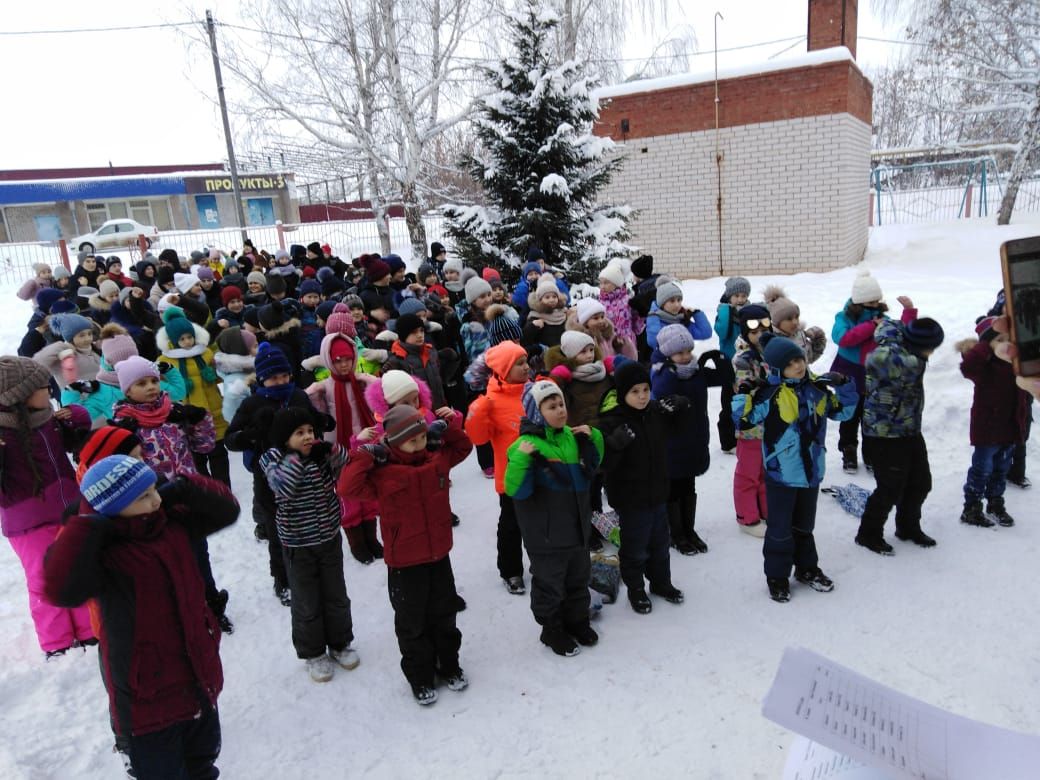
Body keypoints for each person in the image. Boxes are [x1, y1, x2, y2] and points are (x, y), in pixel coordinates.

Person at [44, 456, 237, 778]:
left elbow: (226, 510)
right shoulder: (104, 551)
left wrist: (185, 488)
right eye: (143, 496)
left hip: (198, 681)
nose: (157, 499)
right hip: (146, 702)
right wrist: (85, 526)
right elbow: (61, 589)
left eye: (155, 489)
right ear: (112, 507)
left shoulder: (172, 523)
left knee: (203, 766)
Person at [338, 405, 473, 705]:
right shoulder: (382, 474)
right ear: (394, 441)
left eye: (423, 437)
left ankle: (449, 664)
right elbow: (347, 487)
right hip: (405, 563)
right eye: (412, 440)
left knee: (444, 615)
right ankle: (420, 676)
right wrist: (365, 453)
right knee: (412, 623)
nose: (420, 444)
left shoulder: (436, 460)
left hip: (439, 556)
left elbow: (464, 446)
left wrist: (443, 428)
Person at [732, 333, 857, 602]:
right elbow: (743, 421)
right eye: (790, 364)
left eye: (799, 359)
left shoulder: (817, 389)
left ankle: (807, 569)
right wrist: (743, 393)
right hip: (781, 474)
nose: (798, 366)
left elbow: (843, 412)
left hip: (811, 472)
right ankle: (777, 576)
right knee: (779, 530)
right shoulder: (770, 395)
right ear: (777, 369)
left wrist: (845, 385)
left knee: (804, 526)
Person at [0, 357, 95, 658]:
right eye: (43, 387)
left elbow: (78, 432)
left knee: (76, 568)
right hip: (27, 521)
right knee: (44, 579)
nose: (50, 391)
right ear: (19, 394)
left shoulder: (47, 419)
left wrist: (74, 417)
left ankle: (89, 629)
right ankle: (57, 640)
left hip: (68, 507)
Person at [225, 343, 330, 605]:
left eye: (284, 376)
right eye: (273, 378)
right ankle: (282, 578)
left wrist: (321, 422)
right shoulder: (252, 403)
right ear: (261, 379)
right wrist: (252, 435)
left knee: (307, 521)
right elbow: (230, 439)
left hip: (304, 472)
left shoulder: (297, 396)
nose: (280, 382)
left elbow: (312, 420)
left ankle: (310, 569)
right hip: (269, 477)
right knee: (277, 530)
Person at [505, 380, 603, 657]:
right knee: (550, 585)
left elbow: (594, 466)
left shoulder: (572, 438)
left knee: (578, 580)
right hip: (546, 537)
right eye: (551, 406)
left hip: (577, 530)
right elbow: (515, 489)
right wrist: (523, 460)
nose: (560, 410)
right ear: (536, 413)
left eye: (561, 404)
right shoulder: (525, 446)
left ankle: (577, 621)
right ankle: (552, 629)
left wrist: (593, 438)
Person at [260, 408, 359, 682]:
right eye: (299, 433)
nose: (307, 437)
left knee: (335, 594)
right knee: (307, 601)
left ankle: (340, 643)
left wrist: (327, 447)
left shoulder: (320, 455)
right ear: (284, 438)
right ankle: (313, 652)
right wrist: (297, 459)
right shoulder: (274, 460)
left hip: (328, 537)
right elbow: (283, 488)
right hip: (298, 544)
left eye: (311, 432)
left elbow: (346, 460)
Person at [597, 359, 686, 614]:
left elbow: (677, 433)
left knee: (660, 544)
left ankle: (661, 582)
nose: (642, 396)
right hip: (631, 499)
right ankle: (636, 588)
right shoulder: (612, 422)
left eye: (646, 390)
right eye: (635, 391)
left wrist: (681, 407)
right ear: (622, 393)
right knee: (635, 548)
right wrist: (615, 443)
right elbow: (604, 464)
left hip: (658, 493)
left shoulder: (655, 412)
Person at [855, 316, 945, 554]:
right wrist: (918, 360)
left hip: (909, 428)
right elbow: (875, 361)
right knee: (890, 488)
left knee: (921, 483)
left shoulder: (907, 345)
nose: (931, 353)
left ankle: (907, 527)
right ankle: (868, 534)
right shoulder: (889, 355)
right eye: (930, 348)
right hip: (884, 433)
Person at [651, 324, 733, 555]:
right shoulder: (661, 371)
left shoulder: (695, 370)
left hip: (695, 438)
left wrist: (718, 358)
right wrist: (670, 372)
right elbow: (661, 392)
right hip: (672, 442)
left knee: (689, 486)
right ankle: (676, 534)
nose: (686, 357)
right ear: (667, 353)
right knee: (674, 489)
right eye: (679, 353)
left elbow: (726, 378)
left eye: (688, 351)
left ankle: (689, 530)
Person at [829, 272, 917, 473]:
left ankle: (871, 454)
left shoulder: (882, 318)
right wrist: (870, 327)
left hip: (874, 375)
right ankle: (848, 451)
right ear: (859, 301)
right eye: (871, 301)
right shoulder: (844, 317)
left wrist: (909, 311)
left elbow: (900, 333)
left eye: (877, 300)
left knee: (871, 417)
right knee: (850, 416)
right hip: (849, 374)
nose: (876, 304)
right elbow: (843, 338)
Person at [306, 333, 381, 564]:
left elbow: (378, 396)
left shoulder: (360, 381)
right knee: (348, 496)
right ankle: (356, 542)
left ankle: (371, 538)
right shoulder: (325, 387)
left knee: (368, 491)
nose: (344, 364)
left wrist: (368, 380)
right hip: (339, 449)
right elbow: (317, 414)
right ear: (329, 361)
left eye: (347, 359)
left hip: (366, 443)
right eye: (337, 360)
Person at [465, 341, 531, 594]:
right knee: (511, 525)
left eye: (526, 361)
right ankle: (511, 570)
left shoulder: (533, 391)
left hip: (540, 471)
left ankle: (541, 562)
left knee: (540, 522)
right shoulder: (490, 401)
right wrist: (477, 412)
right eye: (519, 364)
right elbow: (479, 439)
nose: (526, 368)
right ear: (503, 370)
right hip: (511, 476)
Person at [956, 317, 1029, 527]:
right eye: (1000, 340)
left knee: (1001, 469)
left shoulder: (1016, 362)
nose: (1005, 344)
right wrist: (985, 347)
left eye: (1009, 339)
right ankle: (971, 508)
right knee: (982, 469)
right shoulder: (984, 364)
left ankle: (995, 504)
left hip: (1010, 425)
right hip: (987, 428)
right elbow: (967, 367)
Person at [157, 308, 229, 485]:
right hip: (188, 415)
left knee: (218, 452)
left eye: (190, 337)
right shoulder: (165, 361)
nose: (188, 342)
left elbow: (219, 375)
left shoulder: (205, 353)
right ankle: (205, 487)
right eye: (182, 339)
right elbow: (164, 388)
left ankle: (223, 488)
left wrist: (218, 369)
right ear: (173, 341)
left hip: (212, 408)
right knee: (196, 457)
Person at [731, 304, 772, 536]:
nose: (760, 336)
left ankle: (766, 511)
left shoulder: (772, 350)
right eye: (755, 332)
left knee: (766, 472)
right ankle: (747, 517)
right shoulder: (743, 358)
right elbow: (744, 387)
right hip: (751, 424)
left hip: (771, 423)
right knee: (748, 473)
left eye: (764, 330)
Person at [713, 276, 750, 454]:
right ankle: (727, 441)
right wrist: (727, 310)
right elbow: (721, 332)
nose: (740, 300)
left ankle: (743, 433)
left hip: (746, 365)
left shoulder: (750, 312)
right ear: (729, 296)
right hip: (728, 363)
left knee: (745, 399)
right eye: (736, 296)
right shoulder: (724, 312)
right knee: (728, 402)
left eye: (743, 296)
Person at [644, 280, 711, 352]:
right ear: (662, 303)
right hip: (664, 361)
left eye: (679, 300)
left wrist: (697, 313)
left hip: (684, 360)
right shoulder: (656, 320)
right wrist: (653, 317)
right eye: (672, 301)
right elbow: (654, 341)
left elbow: (705, 333)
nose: (677, 305)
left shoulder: (681, 320)